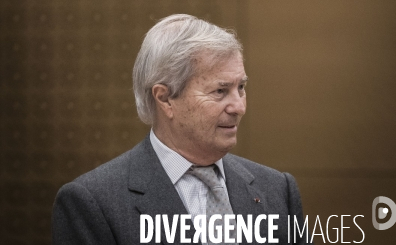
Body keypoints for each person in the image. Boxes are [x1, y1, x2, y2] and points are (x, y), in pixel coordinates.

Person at [52, 14, 308, 244]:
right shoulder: (94, 203)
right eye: (220, 91)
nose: (238, 107)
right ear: (165, 99)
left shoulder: (277, 190)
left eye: (240, 88)